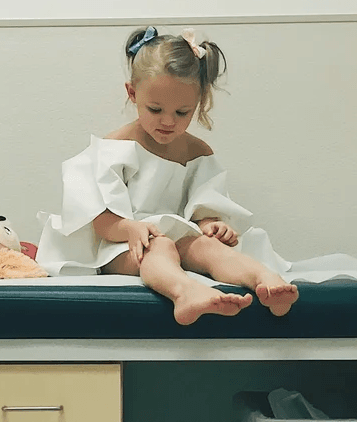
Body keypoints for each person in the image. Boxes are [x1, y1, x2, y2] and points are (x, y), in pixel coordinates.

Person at [35, 26, 299, 325]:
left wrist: (213, 225)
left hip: (175, 239)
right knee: (159, 245)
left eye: (182, 112)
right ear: (132, 94)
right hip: (121, 247)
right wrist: (130, 229)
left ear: (198, 104)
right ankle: (184, 292)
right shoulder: (115, 149)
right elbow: (101, 222)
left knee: (204, 245)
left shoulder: (196, 152)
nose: (168, 121)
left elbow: (203, 209)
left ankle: (264, 281)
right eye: (156, 108)